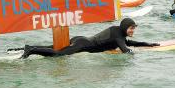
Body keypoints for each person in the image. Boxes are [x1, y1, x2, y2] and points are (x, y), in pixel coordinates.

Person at [21, 18, 159, 58]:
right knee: (59, 54)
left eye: (134, 28)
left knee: (54, 48)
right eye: (131, 28)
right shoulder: (118, 35)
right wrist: (137, 55)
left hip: (81, 39)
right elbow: (125, 49)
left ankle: (26, 48)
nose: (133, 31)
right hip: (82, 44)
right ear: (125, 27)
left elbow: (128, 42)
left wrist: (148, 44)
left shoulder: (119, 33)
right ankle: (31, 50)